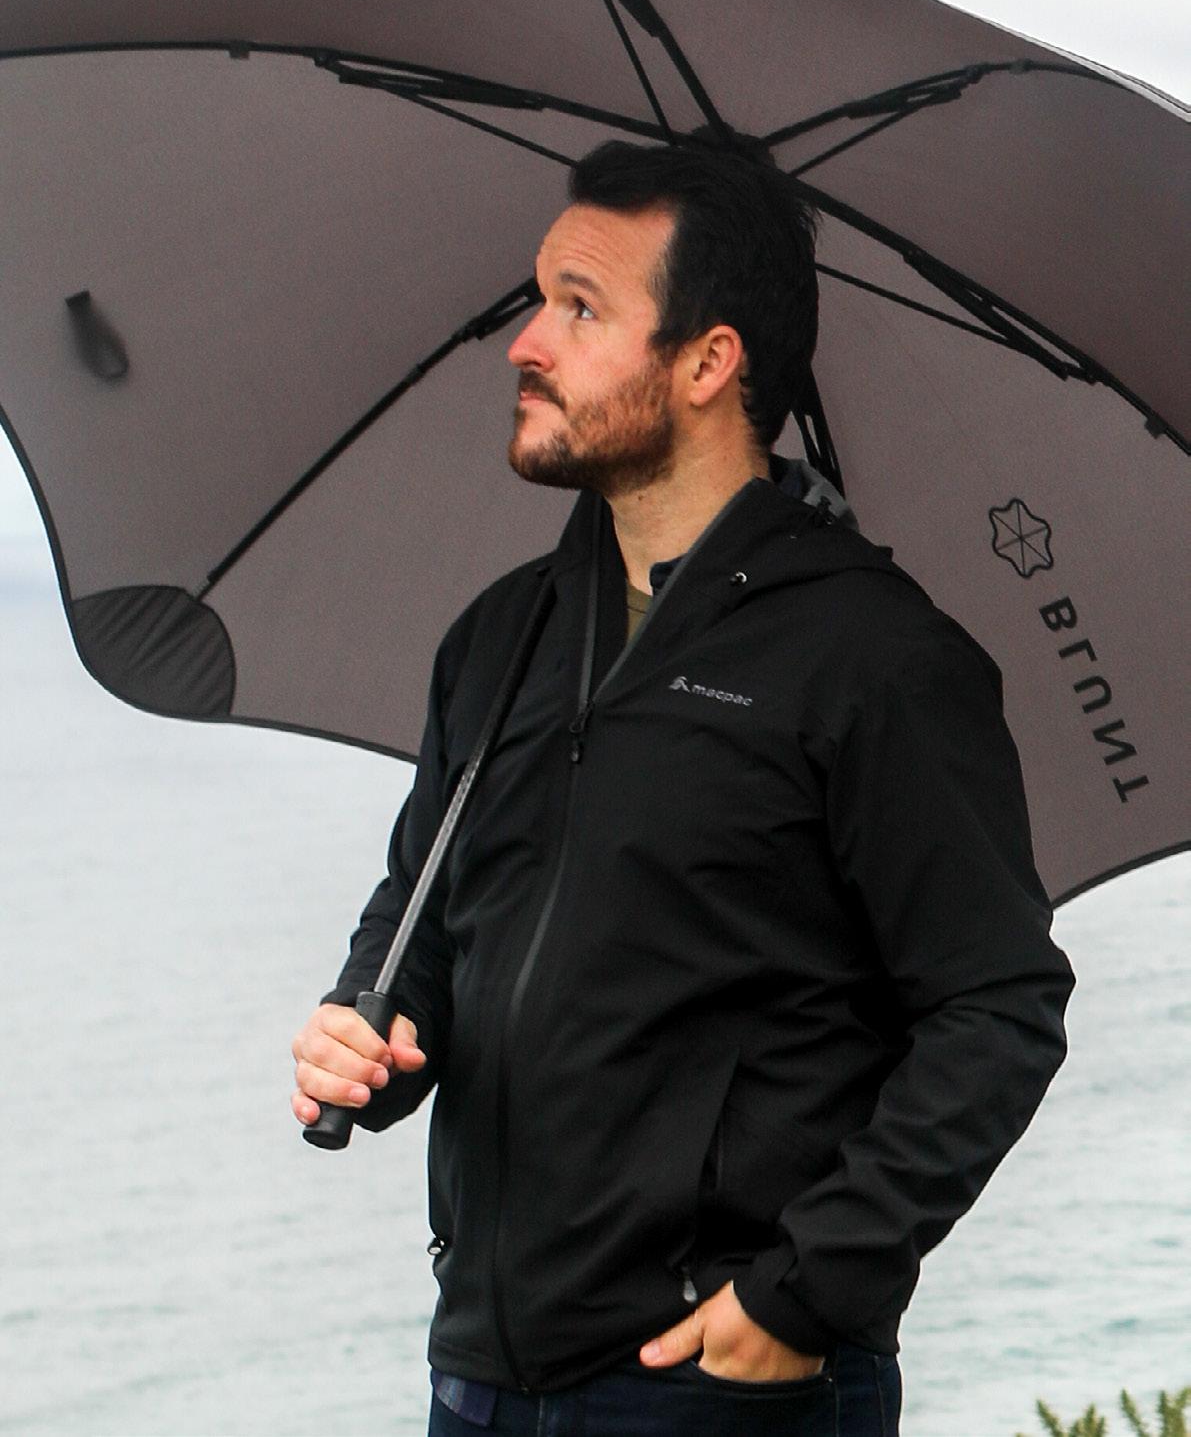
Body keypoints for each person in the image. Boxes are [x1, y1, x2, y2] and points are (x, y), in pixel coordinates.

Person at [291, 137, 1075, 1436]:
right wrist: (365, 1025)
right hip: (480, 1373)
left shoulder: (875, 658)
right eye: (538, 301)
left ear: (709, 362)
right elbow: (423, 919)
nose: (527, 344)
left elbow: (998, 1009)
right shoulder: (501, 638)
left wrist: (804, 1296)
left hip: (717, 1389)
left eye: (580, 310)